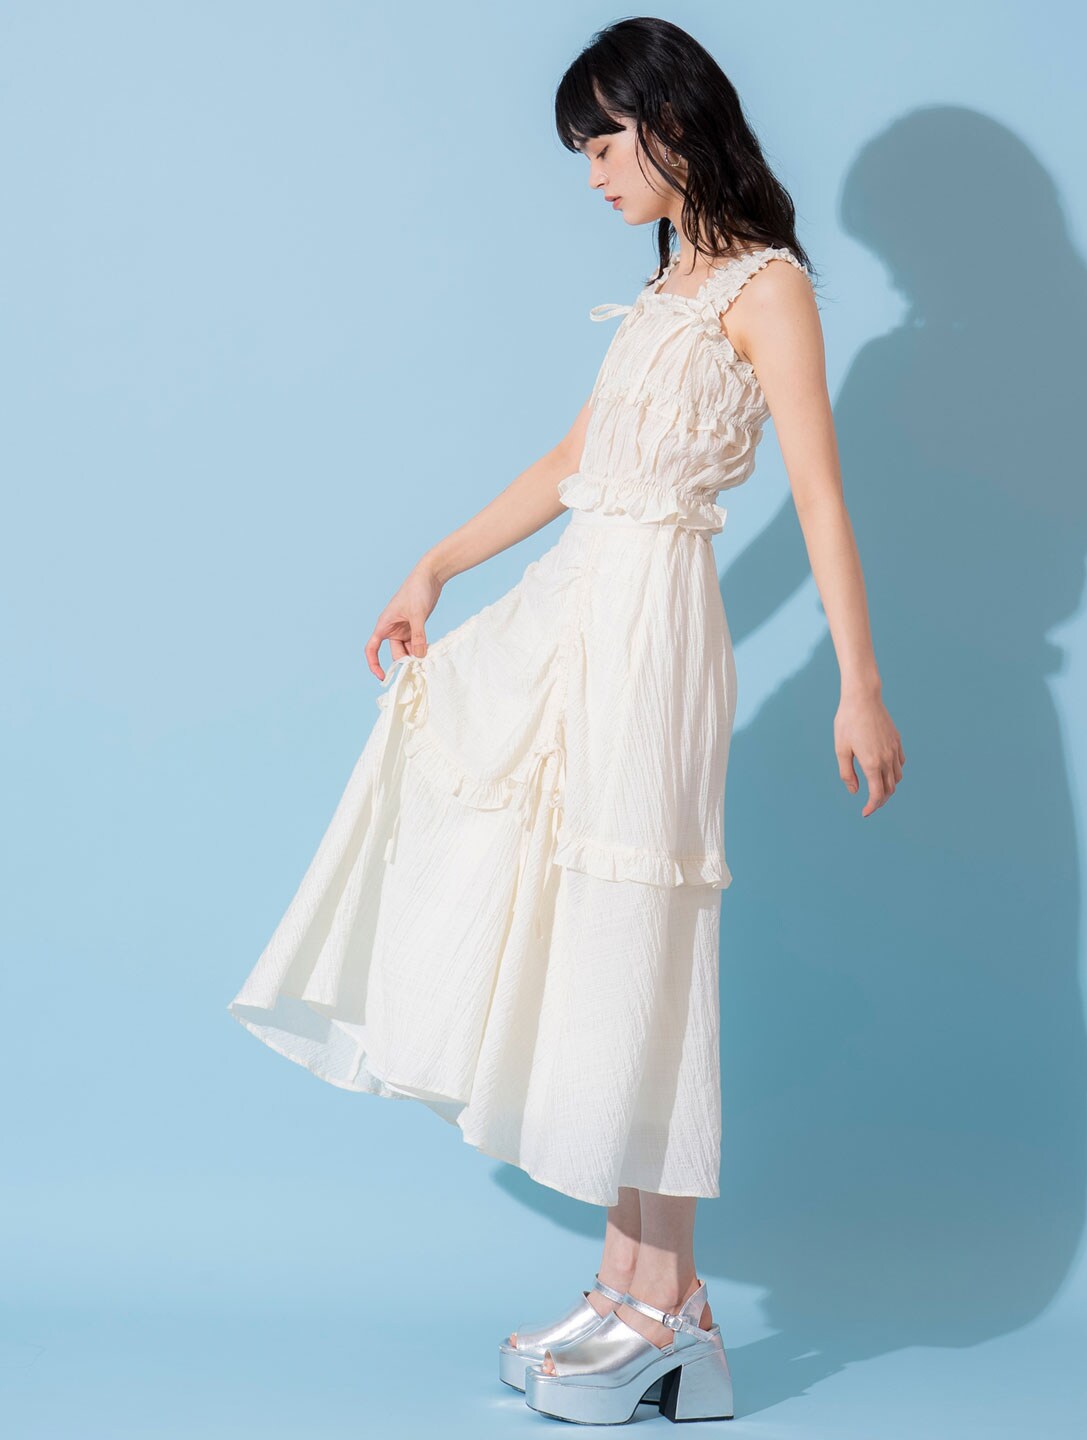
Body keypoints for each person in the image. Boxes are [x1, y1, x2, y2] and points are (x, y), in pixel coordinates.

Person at [227, 15, 904, 1426]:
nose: (592, 174)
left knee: (639, 934)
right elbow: (571, 459)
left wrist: (861, 683)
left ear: (674, 121)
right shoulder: (667, 285)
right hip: (578, 604)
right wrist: (434, 564)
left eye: (604, 144)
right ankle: (635, 1284)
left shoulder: (769, 286)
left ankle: (671, 1307)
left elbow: (822, 495)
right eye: (582, 152)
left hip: (654, 633)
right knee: (587, 929)